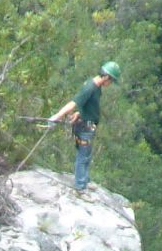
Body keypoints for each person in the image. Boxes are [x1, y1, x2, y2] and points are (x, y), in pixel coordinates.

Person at [48, 61, 121, 191]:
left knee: (86, 155)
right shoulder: (90, 87)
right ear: (107, 77)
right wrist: (57, 116)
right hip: (85, 127)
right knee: (83, 156)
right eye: (111, 80)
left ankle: (85, 180)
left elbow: (85, 104)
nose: (110, 84)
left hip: (87, 124)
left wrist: (79, 113)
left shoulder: (96, 86)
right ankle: (80, 188)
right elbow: (74, 102)